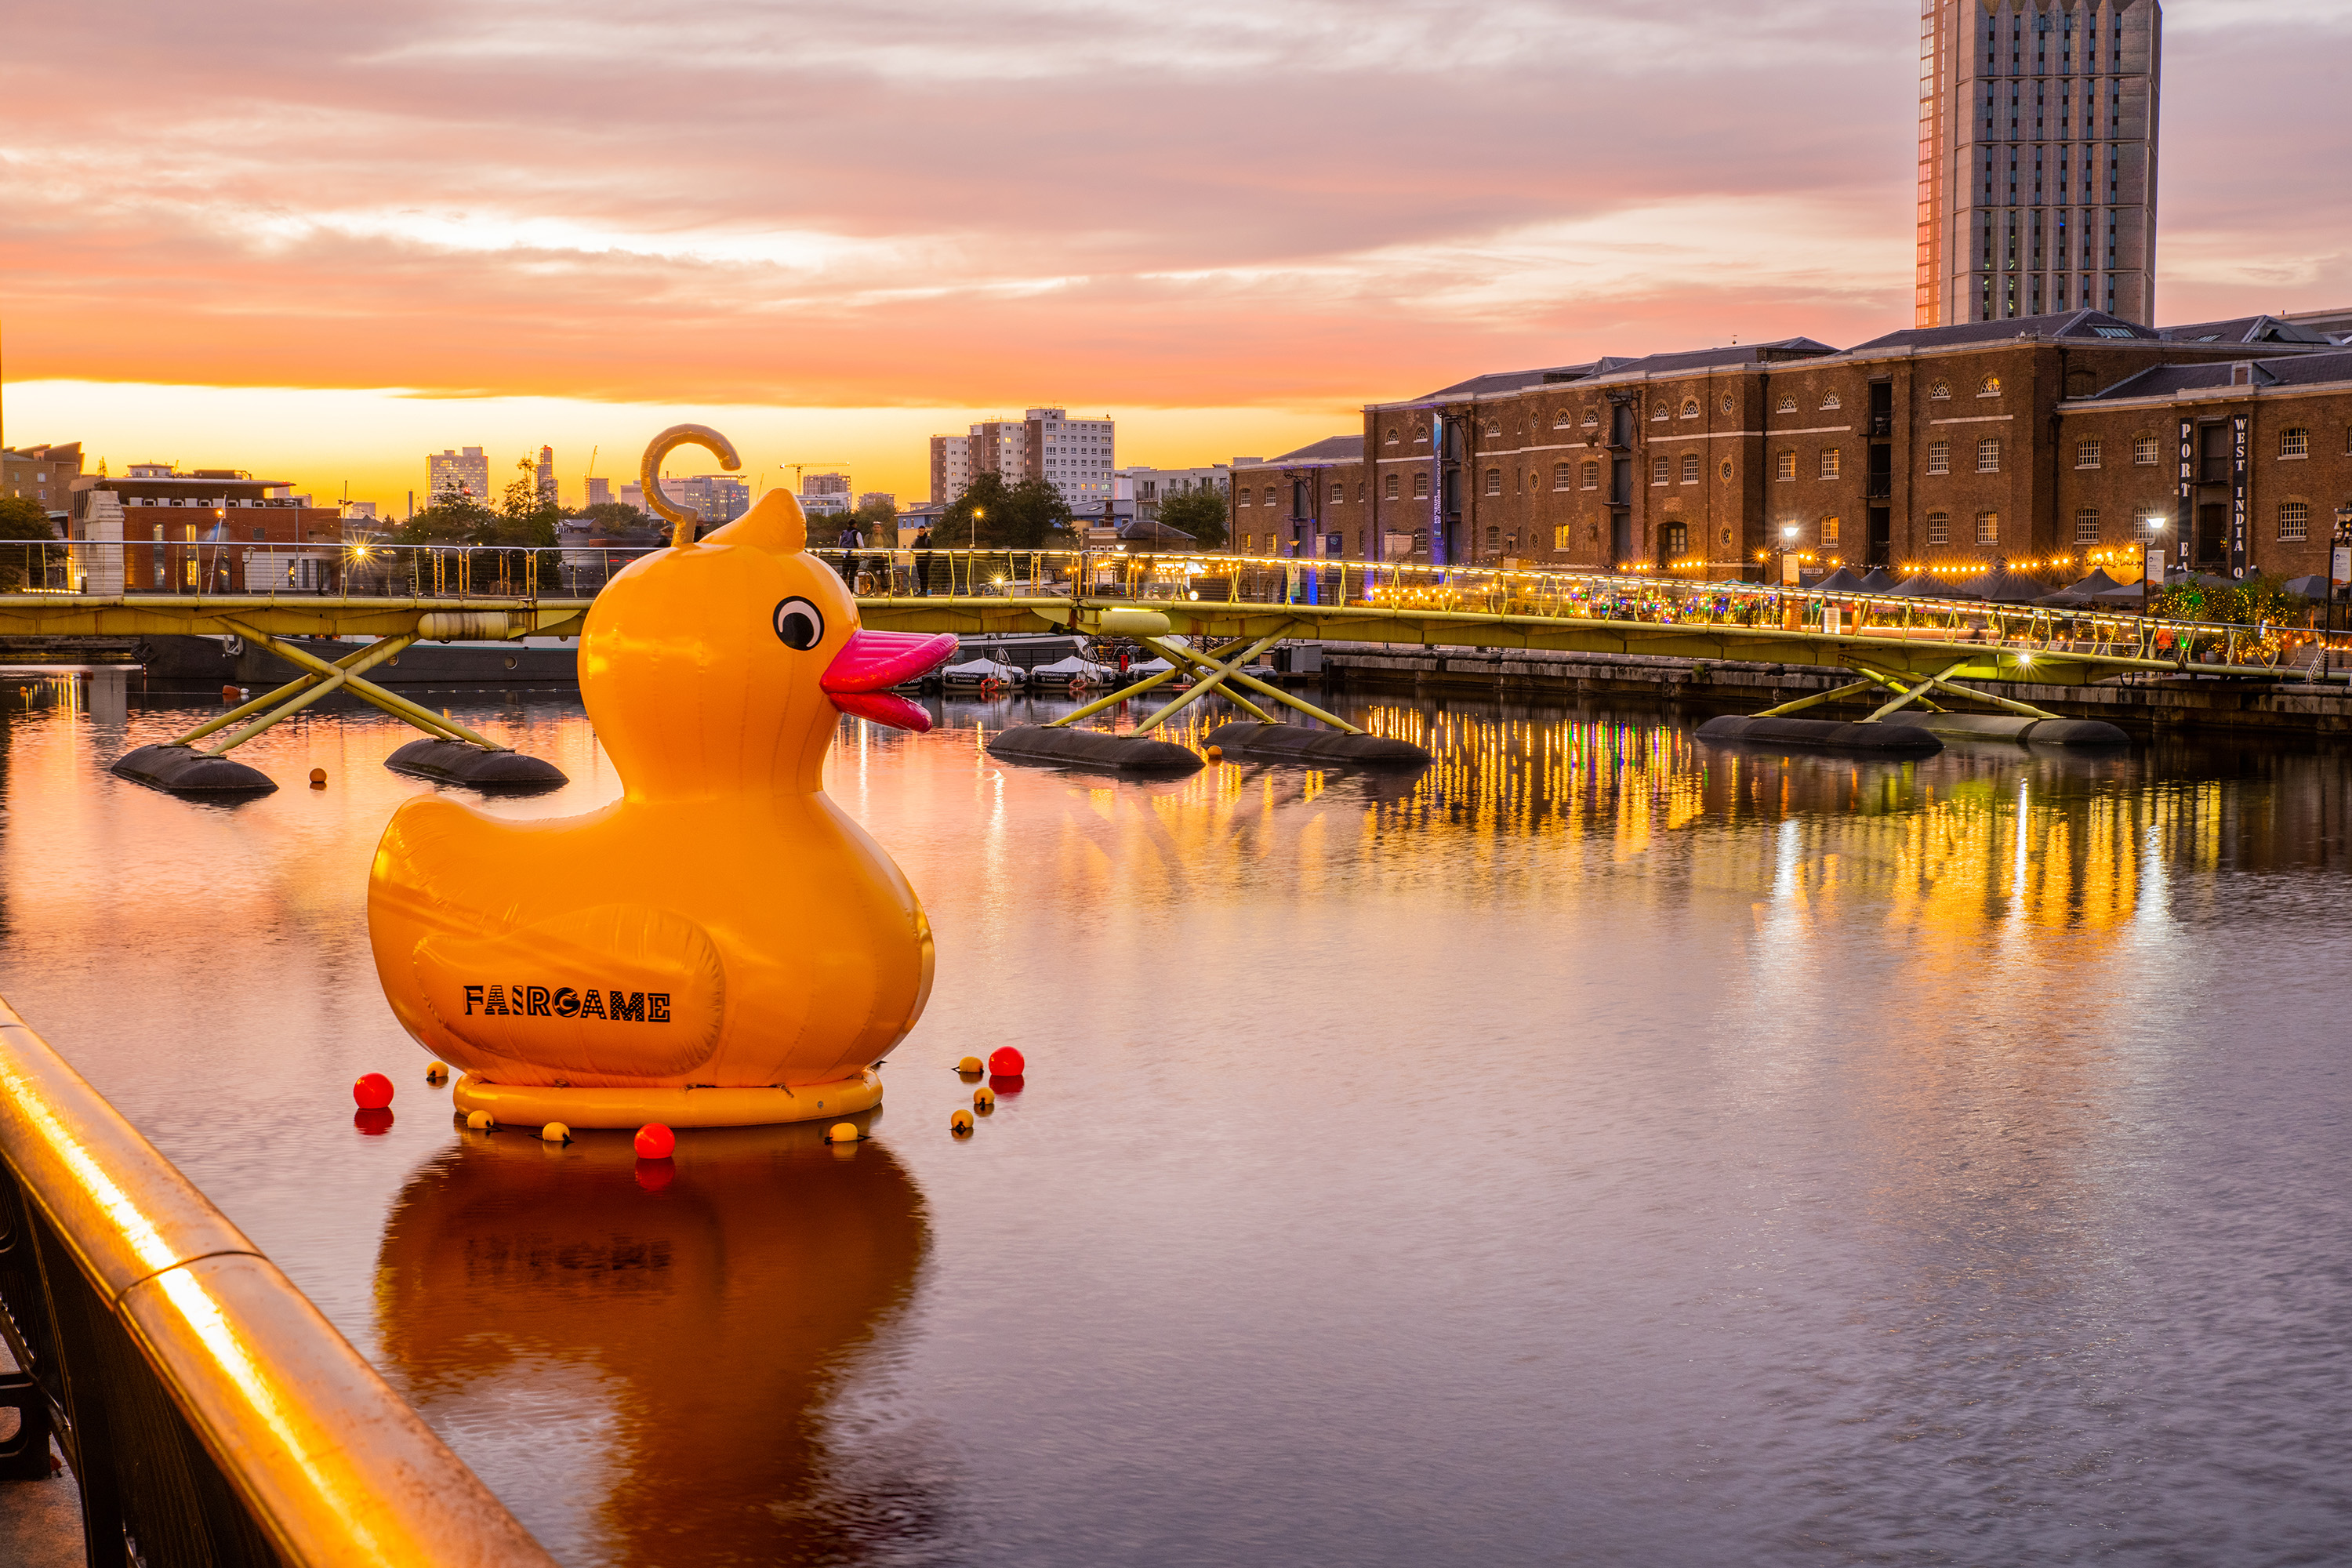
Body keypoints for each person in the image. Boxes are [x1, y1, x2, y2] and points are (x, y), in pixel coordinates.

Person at [835, 522, 861, 588]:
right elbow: (861, 545)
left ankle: (842, 589)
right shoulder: (857, 533)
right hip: (854, 556)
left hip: (845, 556)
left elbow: (839, 544)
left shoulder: (844, 533)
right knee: (852, 575)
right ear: (855, 524)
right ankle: (851, 590)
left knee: (845, 574)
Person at [912, 527, 933, 597]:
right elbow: (913, 549)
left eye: (922, 531)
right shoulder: (916, 540)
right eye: (920, 531)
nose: (921, 532)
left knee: (925, 575)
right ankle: (922, 591)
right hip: (919, 560)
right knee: (921, 576)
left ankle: (924, 591)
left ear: (924, 531)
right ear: (918, 531)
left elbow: (930, 550)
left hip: (925, 560)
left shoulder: (928, 540)